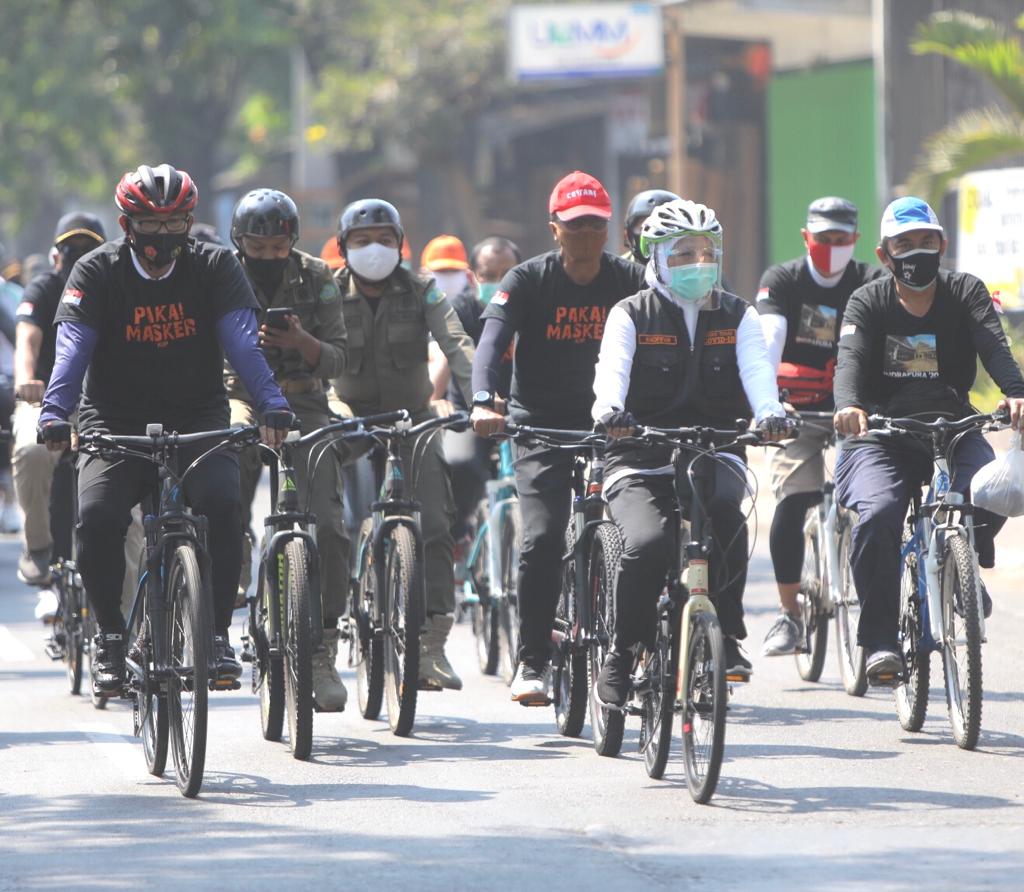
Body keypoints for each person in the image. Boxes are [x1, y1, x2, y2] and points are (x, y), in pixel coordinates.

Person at [37, 163, 292, 695]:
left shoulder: (217, 265)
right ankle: (109, 638)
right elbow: (72, 350)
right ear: (126, 223)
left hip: (197, 416)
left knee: (223, 506)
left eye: (175, 224)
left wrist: (270, 402)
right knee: (99, 517)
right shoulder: (95, 271)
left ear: (190, 221)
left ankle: (218, 634)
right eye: (149, 225)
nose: (161, 236)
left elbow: (243, 343)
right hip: (114, 419)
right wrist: (55, 413)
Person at [590, 199, 789, 703]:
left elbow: (758, 374)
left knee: (728, 513)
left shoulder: (738, 313)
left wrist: (769, 413)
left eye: (707, 251)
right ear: (654, 259)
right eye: (682, 253)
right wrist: (611, 412)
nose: (698, 262)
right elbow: (610, 375)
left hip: (715, 446)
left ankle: (726, 630)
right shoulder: (629, 313)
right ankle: (624, 649)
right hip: (638, 453)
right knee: (647, 543)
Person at [471, 170, 645, 704]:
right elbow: (490, 343)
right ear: (555, 229)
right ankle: (533, 661)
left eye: (595, 225)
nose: (587, 235)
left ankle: (637, 653)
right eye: (575, 226)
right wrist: (482, 400)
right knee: (543, 537)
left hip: (612, 424)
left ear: (609, 229)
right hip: (539, 423)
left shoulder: (631, 280)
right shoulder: (526, 280)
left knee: (644, 535)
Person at [833, 196, 1024, 681]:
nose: (915, 252)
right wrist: (849, 406)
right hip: (879, 433)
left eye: (925, 242)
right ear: (884, 255)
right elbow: (850, 359)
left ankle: (961, 570)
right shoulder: (867, 301)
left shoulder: (965, 292)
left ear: (942, 245)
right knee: (877, 515)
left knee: (991, 488)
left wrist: (1017, 393)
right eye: (904, 244)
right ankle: (879, 641)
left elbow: (993, 345)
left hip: (951, 425)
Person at [329, 198, 475, 691]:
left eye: (385, 240)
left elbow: (456, 342)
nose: (374, 249)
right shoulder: (327, 293)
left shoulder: (421, 290)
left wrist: (483, 401)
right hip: (345, 416)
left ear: (400, 245)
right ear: (344, 247)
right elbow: (311, 358)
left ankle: (432, 645)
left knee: (434, 522)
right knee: (324, 519)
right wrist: (326, 411)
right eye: (362, 241)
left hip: (411, 419)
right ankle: (316, 636)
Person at [227, 188, 350, 711]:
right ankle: (229, 576)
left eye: (278, 248)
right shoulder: (219, 274)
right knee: (221, 485)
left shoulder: (319, 277)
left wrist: (300, 342)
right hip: (240, 401)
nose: (269, 257)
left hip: (305, 405)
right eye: (258, 249)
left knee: (331, 523)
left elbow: (339, 361)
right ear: (241, 243)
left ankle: (320, 645)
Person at [757, 197, 885, 657]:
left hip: (859, 412)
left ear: (856, 240)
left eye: (841, 239)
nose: (831, 247)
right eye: (822, 238)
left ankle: (879, 613)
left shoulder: (871, 281)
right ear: (805, 237)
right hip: (796, 410)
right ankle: (788, 614)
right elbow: (768, 339)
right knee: (793, 502)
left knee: (877, 502)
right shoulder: (782, 281)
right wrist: (767, 404)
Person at [13, 213, 106, 586]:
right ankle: (38, 546)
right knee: (33, 452)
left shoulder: (116, 287)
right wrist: (26, 381)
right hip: (45, 400)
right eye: (72, 251)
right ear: (56, 257)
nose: (80, 259)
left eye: (90, 251)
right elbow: (27, 341)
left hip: (100, 404)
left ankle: (131, 628)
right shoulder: (43, 288)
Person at [423, 235, 521, 557]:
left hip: (520, 414)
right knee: (461, 462)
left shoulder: (532, 306)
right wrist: (430, 400)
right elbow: (445, 356)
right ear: (472, 277)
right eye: (488, 276)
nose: (498, 283)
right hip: (469, 415)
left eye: (507, 274)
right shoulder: (461, 309)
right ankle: (460, 527)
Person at [622, 189, 680, 264]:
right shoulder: (617, 272)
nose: (653, 234)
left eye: (665, 226)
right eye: (646, 227)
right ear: (627, 235)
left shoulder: (693, 266)